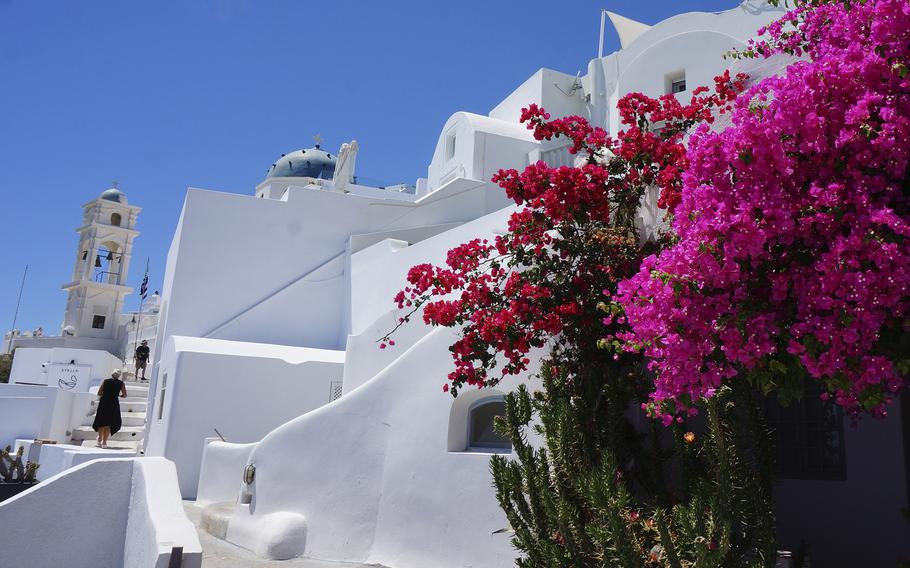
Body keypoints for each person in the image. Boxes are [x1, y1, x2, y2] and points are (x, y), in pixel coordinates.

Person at [92, 370, 127, 448]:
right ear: (118, 376)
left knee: (101, 422)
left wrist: (106, 394)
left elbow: (99, 393)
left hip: (104, 403)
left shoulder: (106, 381)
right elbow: (124, 395)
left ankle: (99, 439)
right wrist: (117, 395)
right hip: (113, 404)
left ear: (112, 375)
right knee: (108, 424)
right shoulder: (121, 383)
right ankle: (104, 443)